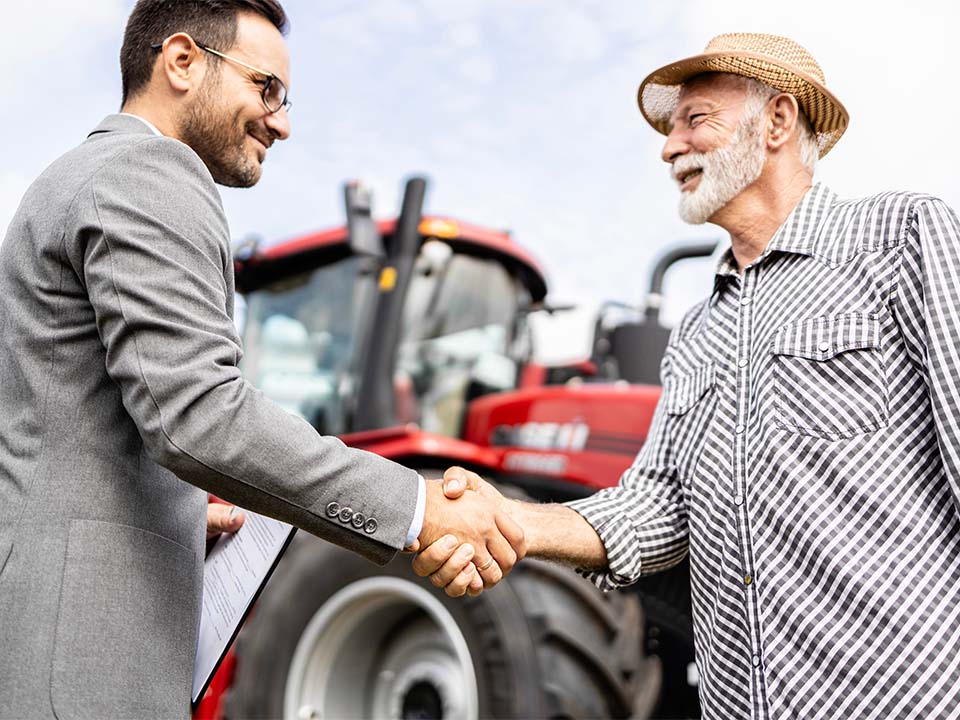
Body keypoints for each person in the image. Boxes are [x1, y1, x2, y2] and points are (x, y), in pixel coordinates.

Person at [0, 1, 522, 717]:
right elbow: (200, 417)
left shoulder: (78, 177)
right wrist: (418, 506)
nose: (281, 122)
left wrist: (175, 513)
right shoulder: (148, 171)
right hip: (84, 664)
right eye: (265, 87)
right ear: (182, 61)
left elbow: (56, 427)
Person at [418, 33, 960, 719]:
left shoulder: (900, 240)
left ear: (777, 121)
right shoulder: (696, 333)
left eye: (694, 120)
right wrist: (515, 520)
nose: (669, 147)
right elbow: (660, 507)